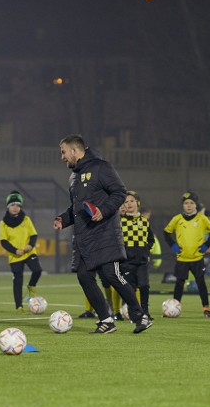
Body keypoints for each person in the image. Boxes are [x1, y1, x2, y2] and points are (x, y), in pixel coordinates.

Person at [53, 134, 151, 334]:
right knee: (83, 276)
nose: (62, 157)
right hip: (84, 237)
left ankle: (141, 315)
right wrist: (64, 219)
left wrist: (103, 211)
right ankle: (106, 320)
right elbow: (77, 208)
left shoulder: (101, 167)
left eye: (63, 152)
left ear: (74, 150)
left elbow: (119, 193)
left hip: (104, 233)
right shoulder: (73, 177)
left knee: (111, 274)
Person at [163, 191, 210, 318]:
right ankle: (174, 309)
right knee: (179, 283)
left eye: (191, 203)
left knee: (201, 283)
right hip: (182, 257)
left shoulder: (202, 218)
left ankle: (206, 308)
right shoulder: (177, 219)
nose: (188, 205)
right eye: (186, 203)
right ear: (182, 205)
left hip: (197, 257)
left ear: (196, 205)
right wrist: (174, 246)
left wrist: (205, 246)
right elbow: (166, 232)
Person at [0, 191, 42, 313]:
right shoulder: (3, 223)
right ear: (8, 207)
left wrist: (30, 245)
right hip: (15, 256)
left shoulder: (26, 219)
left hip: (28, 252)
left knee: (37, 270)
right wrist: (14, 250)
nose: (15, 207)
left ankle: (31, 286)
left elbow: (33, 235)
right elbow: (3, 241)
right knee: (18, 280)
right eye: (12, 205)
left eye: (18, 205)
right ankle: (19, 306)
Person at [119, 190, 154, 319]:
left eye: (132, 201)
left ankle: (145, 312)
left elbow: (151, 239)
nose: (129, 204)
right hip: (127, 262)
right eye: (126, 202)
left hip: (142, 261)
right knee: (129, 289)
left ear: (137, 203)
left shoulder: (145, 222)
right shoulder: (120, 222)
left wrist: (147, 251)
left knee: (144, 286)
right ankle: (133, 313)